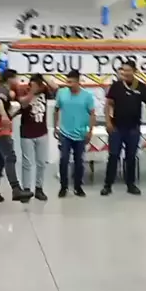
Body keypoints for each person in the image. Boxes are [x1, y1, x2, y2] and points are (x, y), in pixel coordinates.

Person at [102, 60, 146, 196]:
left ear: (134, 71)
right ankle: (108, 185)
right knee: (113, 156)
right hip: (117, 128)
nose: (125, 73)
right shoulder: (116, 86)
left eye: (128, 70)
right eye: (123, 70)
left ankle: (130, 184)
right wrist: (108, 122)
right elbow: (108, 104)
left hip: (133, 128)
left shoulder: (141, 87)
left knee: (131, 157)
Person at [0, 69, 33, 203]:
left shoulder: (6, 91)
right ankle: (16, 189)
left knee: (1, 161)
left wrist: (14, 113)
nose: (17, 81)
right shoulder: (3, 90)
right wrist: (4, 116)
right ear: (10, 79)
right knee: (10, 157)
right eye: (16, 78)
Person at [54, 70, 96, 198]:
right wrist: (56, 126)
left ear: (78, 82)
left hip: (81, 134)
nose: (68, 84)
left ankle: (78, 187)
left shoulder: (87, 96)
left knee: (79, 161)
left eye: (71, 82)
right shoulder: (61, 93)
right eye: (67, 81)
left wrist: (90, 131)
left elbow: (92, 114)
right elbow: (56, 109)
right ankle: (63, 187)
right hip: (65, 133)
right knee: (64, 159)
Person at [17, 74, 57, 201]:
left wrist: (44, 78)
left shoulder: (44, 91)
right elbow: (23, 104)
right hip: (27, 134)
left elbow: (55, 88)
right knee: (27, 163)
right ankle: (26, 189)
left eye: (38, 85)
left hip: (42, 132)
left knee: (41, 163)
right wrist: (32, 93)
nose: (36, 87)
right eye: (33, 85)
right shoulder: (24, 91)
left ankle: (39, 188)